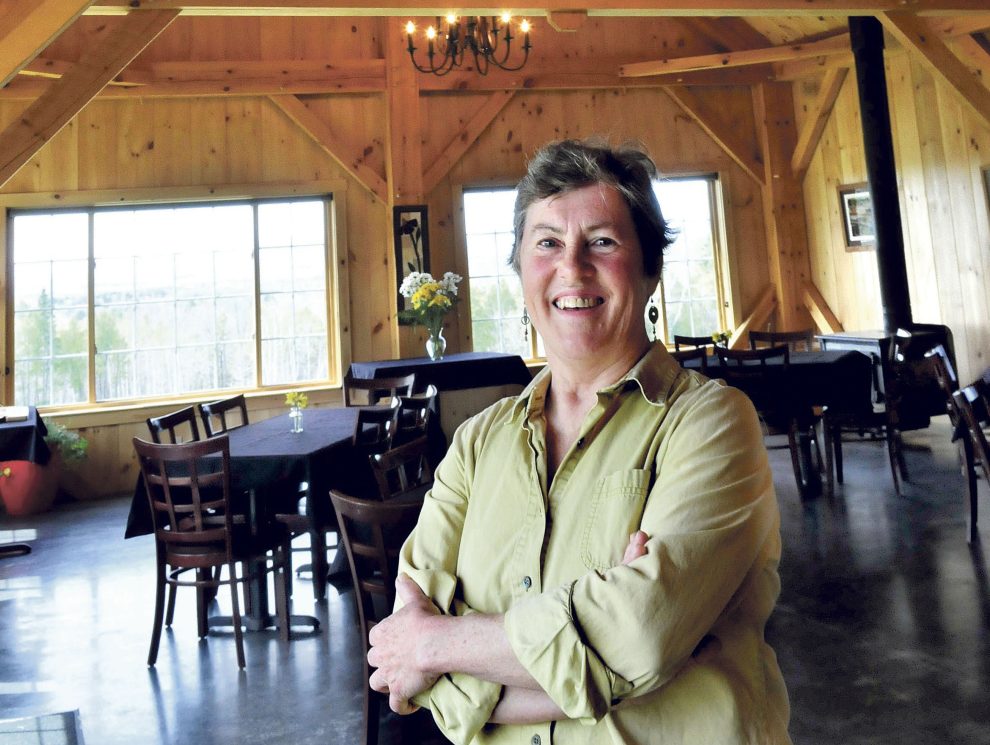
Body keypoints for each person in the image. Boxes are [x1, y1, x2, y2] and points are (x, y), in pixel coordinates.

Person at [367, 138, 791, 744]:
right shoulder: (475, 445)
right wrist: (609, 660)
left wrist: (437, 645)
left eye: (602, 241)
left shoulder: (713, 424)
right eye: (547, 243)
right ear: (520, 270)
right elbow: (404, 668)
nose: (572, 267)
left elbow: (640, 634)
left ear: (650, 270)